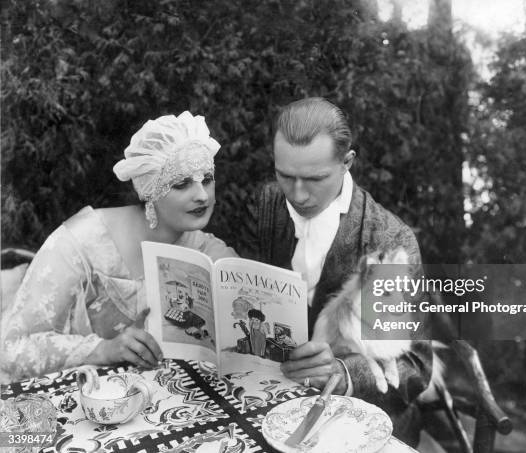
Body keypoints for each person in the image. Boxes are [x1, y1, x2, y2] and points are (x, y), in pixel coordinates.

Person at [240, 97, 432, 445]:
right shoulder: (263, 205)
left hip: (361, 424)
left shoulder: (389, 240)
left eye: (315, 178)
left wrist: (344, 374)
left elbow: (417, 367)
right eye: (285, 175)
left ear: (347, 163)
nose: (298, 194)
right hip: (272, 401)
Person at [0, 112, 236, 382]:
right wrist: (103, 349)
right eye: (181, 184)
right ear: (150, 190)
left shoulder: (204, 249)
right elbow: (12, 348)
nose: (202, 195)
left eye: (207, 179)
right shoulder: (81, 242)